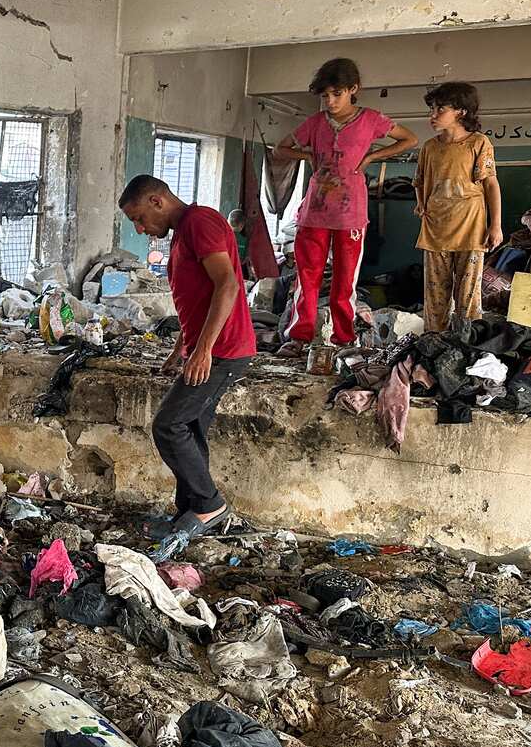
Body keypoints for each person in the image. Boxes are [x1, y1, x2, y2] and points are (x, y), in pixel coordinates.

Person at [119, 175, 256, 540]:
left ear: (157, 201)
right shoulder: (184, 231)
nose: (139, 227)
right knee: (191, 428)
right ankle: (193, 511)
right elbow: (199, 297)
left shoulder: (201, 223)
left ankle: (210, 504)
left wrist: (204, 349)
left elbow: (227, 284)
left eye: (139, 218)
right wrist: (179, 350)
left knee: (169, 425)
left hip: (224, 349)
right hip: (210, 346)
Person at [273, 58, 418, 356]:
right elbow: (279, 148)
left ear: (354, 89)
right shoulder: (315, 123)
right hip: (314, 212)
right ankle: (299, 337)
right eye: (325, 96)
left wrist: (372, 158)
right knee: (307, 277)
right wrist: (308, 157)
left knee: (345, 282)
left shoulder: (371, 120)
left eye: (336, 94)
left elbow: (409, 138)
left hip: (350, 215)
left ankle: (343, 338)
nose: (330, 101)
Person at [413, 82, 502, 333]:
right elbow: (418, 181)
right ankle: (434, 342)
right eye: (432, 109)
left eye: (440, 108)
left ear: (461, 112)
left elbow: (491, 184)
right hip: (435, 231)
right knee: (435, 296)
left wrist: (495, 226)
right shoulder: (430, 147)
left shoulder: (479, 143)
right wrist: (421, 204)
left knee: (468, 296)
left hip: (470, 229)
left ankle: (466, 345)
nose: (433, 115)